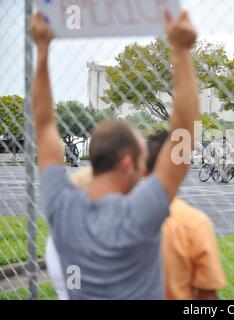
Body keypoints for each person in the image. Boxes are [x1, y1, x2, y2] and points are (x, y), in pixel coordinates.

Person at [31, 9, 199, 299]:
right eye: (143, 157)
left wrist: (43, 51)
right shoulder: (139, 214)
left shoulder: (61, 206)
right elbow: (184, 134)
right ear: (127, 163)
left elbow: (44, 126)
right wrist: (181, 50)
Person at [56, 131, 226, 300]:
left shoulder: (105, 214)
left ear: (143, 169)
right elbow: (208, 294)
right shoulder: (194, 223)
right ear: (183, 168)